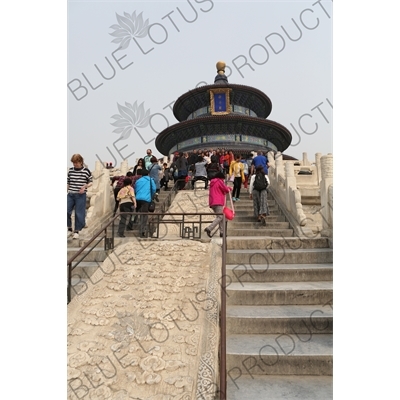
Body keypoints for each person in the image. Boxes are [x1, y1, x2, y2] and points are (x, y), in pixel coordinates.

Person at [67, 154, 93, 239]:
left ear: (81, 162)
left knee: (79, 213)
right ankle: (69, 228)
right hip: (70, 194)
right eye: (74, 163)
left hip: (80, 195)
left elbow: (91, 182)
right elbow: (68, 182)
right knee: (66, 211)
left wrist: (85, 186)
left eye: (76, 163)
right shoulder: (70, 171)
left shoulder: (86, 171)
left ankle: (77, 231)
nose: (75, 164)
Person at [204, 171, 232, 238]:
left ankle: (222, 233)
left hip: (212, 202)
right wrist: (230, 188)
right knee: (220, 217)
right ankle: (209, 228)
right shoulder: (219, 181)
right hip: (218, 201)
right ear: (221, 178)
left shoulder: (212, 182)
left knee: (221, 217)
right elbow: (225, 189)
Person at [134, 168, 156, 237]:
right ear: (148, 174)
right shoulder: (150, 180)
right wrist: (151, 196)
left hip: (138, 199)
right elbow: (154, 189)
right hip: (146, 199)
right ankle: (142, 231)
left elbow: (135, 189)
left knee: (140, 214)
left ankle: (133, 224)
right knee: (144, 215)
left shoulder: (138, 181)